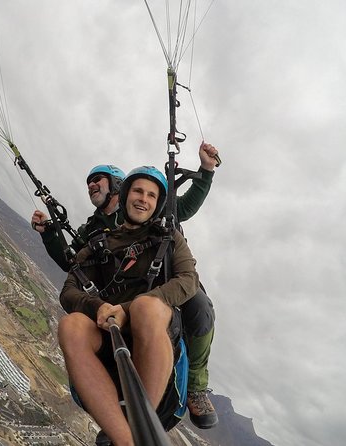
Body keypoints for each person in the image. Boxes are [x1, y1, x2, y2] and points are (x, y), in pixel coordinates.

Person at [32, 141, 220, 429]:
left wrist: (205, 172)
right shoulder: (94, 230)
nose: (92, 186)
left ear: (117, 185)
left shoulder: (157, 221)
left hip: (158, 292)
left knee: (199, 306)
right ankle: (121, 425)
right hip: (116, 297)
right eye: (89, 183)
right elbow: (75, 267)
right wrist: (49, 236)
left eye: (98, 180)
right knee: (75, 325)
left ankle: (195, 384)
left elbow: (182, 207)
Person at [59, 167, 198, 445]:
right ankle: (126, 439)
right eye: (137, 191)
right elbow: (69, 289)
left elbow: (188, 280)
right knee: (71, 325)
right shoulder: (102, 243)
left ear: (157, 204)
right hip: (110, 337)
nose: (143, 199)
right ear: (124, 196)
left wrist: (127, 308)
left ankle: (138, 424)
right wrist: (98, 306)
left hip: (153, 336)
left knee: (147, 307)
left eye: (150, 195)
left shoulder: (169, 241)